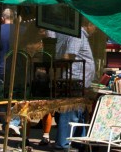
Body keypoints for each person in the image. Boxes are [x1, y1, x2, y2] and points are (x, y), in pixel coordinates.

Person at [53, 21, 97, 151]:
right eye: (95, 26)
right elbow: (70, 55)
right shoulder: (78, 34)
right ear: (89, 24)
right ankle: (62, 144)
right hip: (75, 79)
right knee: (69, 112)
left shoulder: (80, 35)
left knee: (78, 112)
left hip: (79, 80)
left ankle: (79, 142)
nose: (95, 29)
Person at [0, 9, 21, 136]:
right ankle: (14, 122)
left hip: (1, 68)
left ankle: (6, 123)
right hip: (17, 68)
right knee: (16, 96)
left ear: (2, 18)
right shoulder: (20, 30)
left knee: (3, 97)